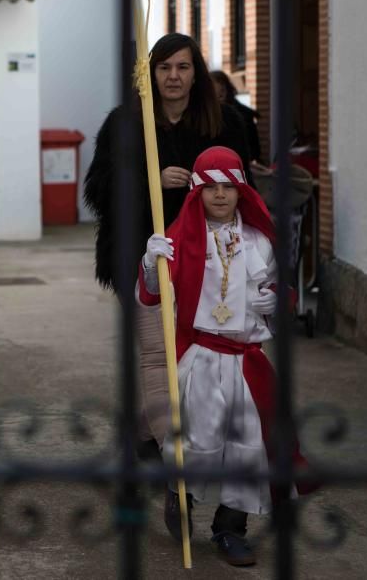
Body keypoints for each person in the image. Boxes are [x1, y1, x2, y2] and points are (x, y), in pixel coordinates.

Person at [138, 146, 313, 567]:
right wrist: (150, 263)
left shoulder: (259, 241)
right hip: (200, 356)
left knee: (246, 447)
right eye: (211, 188)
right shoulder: (177, 240)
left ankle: (231, 528)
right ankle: (179, 490)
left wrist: (278, 301)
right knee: (199, 439)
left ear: (241, 192)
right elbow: (152, 295)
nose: (220, 195)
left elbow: (279, 291)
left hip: (246, 360)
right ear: (197, 192)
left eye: (228, 188)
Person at [83, 33, 255, 461]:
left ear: (196, 72)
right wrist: (150, 182)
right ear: (150, 74)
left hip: (209, 257)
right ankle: (170, 449)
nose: (173, 77)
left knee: (194, 353)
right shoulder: (125, 123)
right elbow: (97, 190)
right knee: (158, 351)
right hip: (137, 256)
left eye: (182, 67)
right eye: (164, 68)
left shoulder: (227, 123)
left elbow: (242, 189)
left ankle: (147, 431)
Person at [211, 70, 266, 170]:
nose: (218, 98)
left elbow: (254, 151)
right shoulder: (204, 117)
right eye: (214, 94)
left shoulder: (242, 116)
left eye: (221, 93)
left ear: (227, 90)